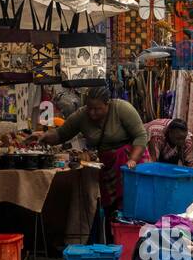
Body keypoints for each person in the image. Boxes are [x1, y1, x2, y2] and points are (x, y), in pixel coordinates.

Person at [27, 86, 149, 224]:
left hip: (130, 160)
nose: (92, 112)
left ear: (107, 104)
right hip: (107, 164)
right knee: (111, 207)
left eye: (97, 109)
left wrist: (132, 160)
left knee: (132, 202)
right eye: (89, 107)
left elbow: (140, 136)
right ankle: (113, 234)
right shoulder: (81, 115)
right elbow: (61, 134)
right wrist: (43, 136)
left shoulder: (122, 109)